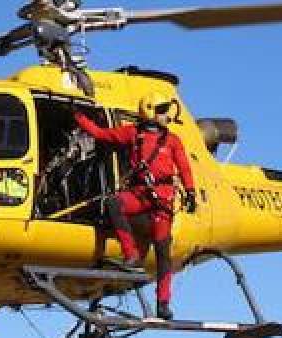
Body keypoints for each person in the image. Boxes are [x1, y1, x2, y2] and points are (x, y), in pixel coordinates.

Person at [73, 91, 197, 321]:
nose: (166, 115)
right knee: (113, 203)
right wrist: (79, 117)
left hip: (162, 202)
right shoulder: (132, 134)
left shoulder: (172, 140)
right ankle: (130, 255)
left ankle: (163, 302)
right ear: (150, 111)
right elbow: (101, 134)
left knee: (163, 252)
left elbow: (185, 168)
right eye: (161, 110)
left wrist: (190, 192)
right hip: (139, 196)